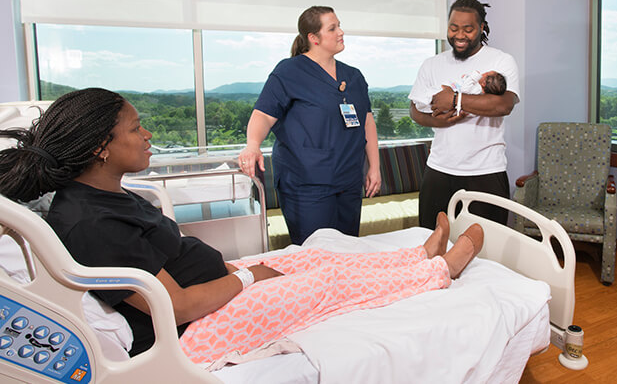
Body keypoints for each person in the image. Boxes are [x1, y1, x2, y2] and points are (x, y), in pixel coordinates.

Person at [0, 88, 484, 363]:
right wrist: (248, 277)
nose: (148, 134)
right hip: (189, 328)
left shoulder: (102, 194)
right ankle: (439, 271)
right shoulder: (89, 219)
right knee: (328, 282)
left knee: (313, 256)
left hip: (207, 285)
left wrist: (229, 268)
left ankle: (417, 254)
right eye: (136, 128)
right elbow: (178, 304)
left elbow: (167, 262)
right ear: (100, 147)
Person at [237, 6, 380, 245]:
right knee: (315, 255)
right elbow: (263, 114)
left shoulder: (353, 76)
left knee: (349, 252)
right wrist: (252, 145)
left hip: (349, 182)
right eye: (332, 28)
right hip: (307, 185)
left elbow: (367, 122)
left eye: (339, 25)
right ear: (313, 38)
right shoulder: (289, 72)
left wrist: (374, 167)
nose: (341, 32)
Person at [408, 0, 520, 229]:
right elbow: (414, 111)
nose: (460, 35)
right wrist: (439, 121)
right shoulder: (432, 64)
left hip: (486, 171)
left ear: (481, 28)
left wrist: (455, 99)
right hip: (438, 169)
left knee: (486, 249)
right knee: (432, 240)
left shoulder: (500, 61)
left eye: (468, 29)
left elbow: (503, 105)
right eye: (453, 28)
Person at [411, 70, 507, 115]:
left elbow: (464, 90)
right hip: (450, 95)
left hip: (448, 96)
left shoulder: (477, 89)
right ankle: (421, 101)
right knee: (430, 97)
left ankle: (421, 100)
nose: (482, 73)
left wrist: (473, 77)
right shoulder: (478, 91)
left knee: (431, 97)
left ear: (484, 83)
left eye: (485, 74)